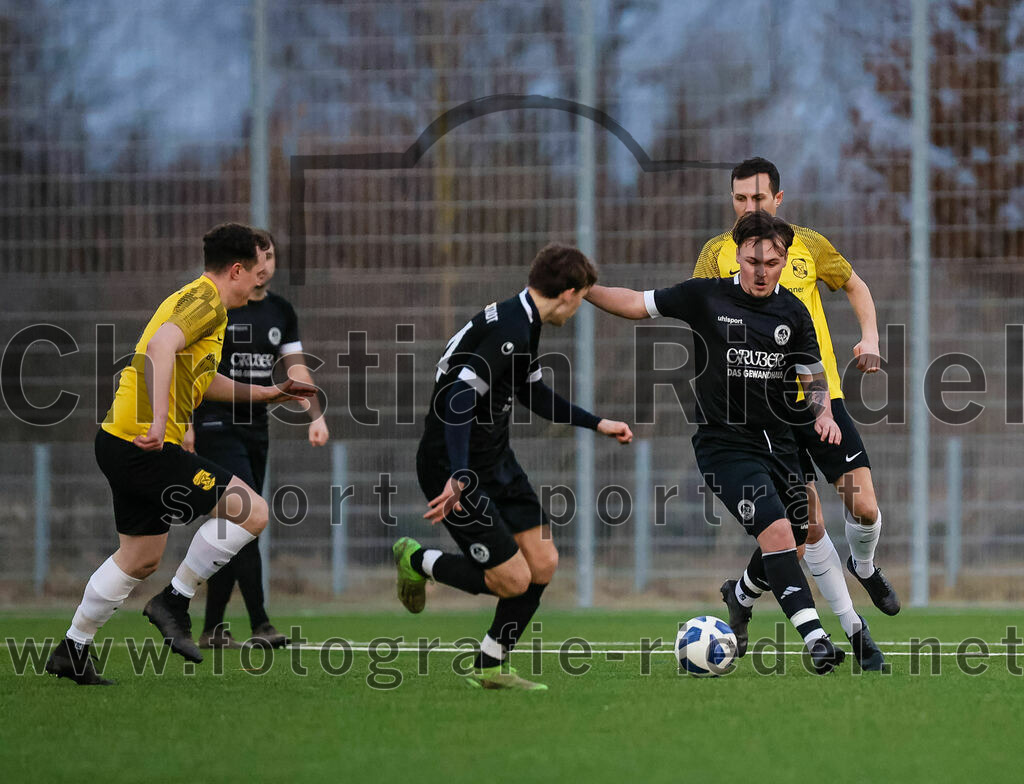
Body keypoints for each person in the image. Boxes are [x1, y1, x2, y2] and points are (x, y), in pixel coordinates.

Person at [45, 223, 313, 685]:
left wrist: (268, 394)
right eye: (257, 274)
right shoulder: (205, 301)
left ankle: (72, 649)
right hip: (144, 444)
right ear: (235, 270)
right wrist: (157, 423)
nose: (260, 283)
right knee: (252, 511)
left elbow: (203, 381)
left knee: (140, 557)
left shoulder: (204, 304)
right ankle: (174, 601)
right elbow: (160, 345)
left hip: (122, 441)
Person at [587, 211, 847, 674]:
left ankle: (741, 594)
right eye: (752, 261)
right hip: (725, 446)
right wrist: (583, 288)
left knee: (801, 536)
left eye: (772, 261)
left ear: (784, 260)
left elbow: (813, 373)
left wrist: (823, 411)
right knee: (778, 532)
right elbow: (634, 303)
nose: (762, 271)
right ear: (738, 256)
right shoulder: (706, 296)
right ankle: (816, 639)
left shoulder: (794, 311)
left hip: (781, 442)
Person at [392, 243, 633, 690]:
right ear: (569, 293)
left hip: (495, 462)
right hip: (451, 465)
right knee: (513, 579)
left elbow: (532, 394)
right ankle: (416, 559)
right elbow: (458, 400)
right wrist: (461, 473)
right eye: (582, 299)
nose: (580, 308)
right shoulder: (511, 329)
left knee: (542, 563)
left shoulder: (525, 321)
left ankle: (490, 665)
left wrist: (597, 423)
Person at [695, 157, 896, 670]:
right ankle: (857, 632)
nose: (747, 208)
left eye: (757, 200)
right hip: (766, 414)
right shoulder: (717, 255)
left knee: (866, 506)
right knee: (804, 526)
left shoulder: (807, 245)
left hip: (822, 401)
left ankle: (853, 567)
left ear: (777, 200)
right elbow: (701, 324)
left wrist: (869, 338)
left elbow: (855, 285)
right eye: (739, 199)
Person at [186, 229, 328, 650]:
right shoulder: (217, 306)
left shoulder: (281, 311)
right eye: (258, 257)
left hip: (255, 427)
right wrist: (186, 423)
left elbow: (296, 369)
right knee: (249, 515)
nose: (265, 265)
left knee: (232, 525)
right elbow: (189, 367)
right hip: (214, 423)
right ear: (241, 264)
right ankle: (261, 622)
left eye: (271, 257)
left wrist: (315, 414)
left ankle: (212, 628)